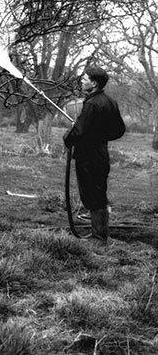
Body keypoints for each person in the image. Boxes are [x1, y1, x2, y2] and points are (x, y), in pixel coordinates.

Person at [63, 66, 126, 244]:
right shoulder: (109, 101)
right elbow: (119, 130)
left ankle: (99, 238)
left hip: (88, 156)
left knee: (92, 195)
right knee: (99, 193)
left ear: (95, 83)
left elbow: (79, 132)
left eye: (85, 78)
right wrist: (100, 135)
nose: (82, 81)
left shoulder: (91, 104)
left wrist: (68, 138)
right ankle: (99, 235)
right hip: (101, 154)